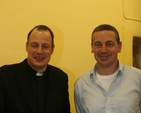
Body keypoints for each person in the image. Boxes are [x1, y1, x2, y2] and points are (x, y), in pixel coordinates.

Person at [0, 25, 71, 113]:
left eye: (45, 46)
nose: (39, 51)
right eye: (35, 45)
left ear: (52, 49)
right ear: (27, 46)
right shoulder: (5, 75)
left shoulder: (61, 78)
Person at [74, 24, 141, 113]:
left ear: (119, 46)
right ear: (92, 47)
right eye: (98, 44)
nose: (103, 50)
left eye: (109, 44)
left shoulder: (138, 78)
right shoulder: (81, 84)